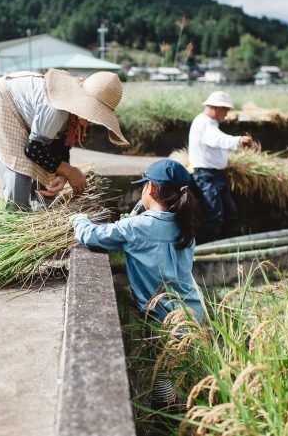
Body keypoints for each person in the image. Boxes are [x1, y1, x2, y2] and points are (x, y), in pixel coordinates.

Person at [73, 159, 203, 413]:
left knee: (162, 372)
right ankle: (177, 408)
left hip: (163, 315)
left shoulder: (136, 227)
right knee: (174, 367)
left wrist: (79, 218)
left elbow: (90, 236)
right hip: (191, 311)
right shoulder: (183, 226)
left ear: (151, 189)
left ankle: (167, 416)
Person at [0, 68, 128, 210]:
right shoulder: (57, 108)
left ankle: (39, 212)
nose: (93, 119)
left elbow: (59, 145)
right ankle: (15, 216)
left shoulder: (70, 111)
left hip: (20, 111)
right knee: (21, 169)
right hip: (1, 100)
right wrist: (70, 171)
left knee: (50, 173)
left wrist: (63, 174)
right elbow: (34, 150)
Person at [188, 91, 253, 242]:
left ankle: (230, 243)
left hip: (216, 175)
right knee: (214, 216)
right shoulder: (203, 122)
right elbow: (217, 139)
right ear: (216, 108)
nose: (226, 114)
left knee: (230, 212)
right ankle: (212, 247)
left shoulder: (210, 123)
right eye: (225, 110)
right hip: (206, 176)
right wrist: (238, 141)